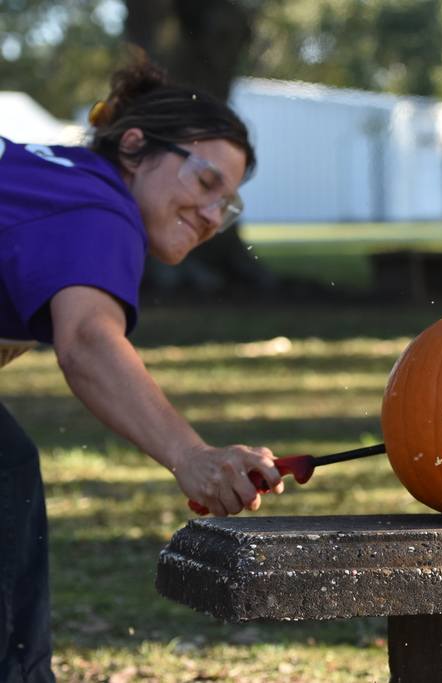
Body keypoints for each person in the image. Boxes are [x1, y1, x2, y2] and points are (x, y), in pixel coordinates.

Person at [0, 58, 284, 681]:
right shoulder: (98, 205)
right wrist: (191, 456)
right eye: (206, 181)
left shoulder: (55, 178)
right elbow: (86, 341)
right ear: (134, 146)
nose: (213, 213)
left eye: (228, 204)